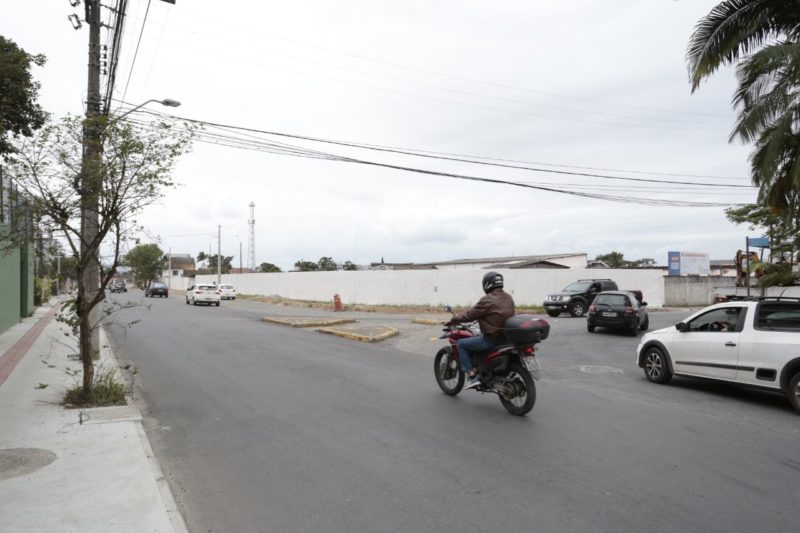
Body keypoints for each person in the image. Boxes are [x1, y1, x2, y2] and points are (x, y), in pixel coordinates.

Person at [447, 271, 515, 390]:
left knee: (461, 344)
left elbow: (469, 315)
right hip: (507, 338)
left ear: (487, 284)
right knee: (476, 339)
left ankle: (472, 376)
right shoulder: (509, 298)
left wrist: (455, 319)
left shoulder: (487, 299)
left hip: (492, 339)